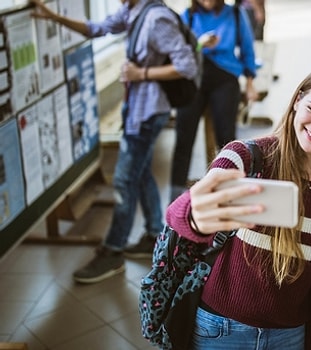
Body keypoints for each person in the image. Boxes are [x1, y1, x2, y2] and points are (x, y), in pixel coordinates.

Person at [166, 61, 311, 349]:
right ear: (298, 100)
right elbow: (177, 216)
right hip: (221, 330)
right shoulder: (245, 158)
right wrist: (198, 215)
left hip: (290, 337)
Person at [30, 0, 198, 283]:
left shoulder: (156, 18)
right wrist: (50, 15)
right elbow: (96, 28)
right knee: (140, 173)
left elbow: (188, 65)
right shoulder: (131, 10)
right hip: (136, 110)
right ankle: (154, 233)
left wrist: (140, 73)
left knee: (123, 180)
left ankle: (114, 250)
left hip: (148, 113)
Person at [167, 0, 259, 207]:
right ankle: (175, 200)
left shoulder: (235, 14)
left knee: (226, 139)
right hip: (194, 79)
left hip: (225, 78)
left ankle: (232, 194)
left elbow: (247, 49)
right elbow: (178, 52)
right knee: (183, 138)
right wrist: (199, 43)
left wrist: (250, 83)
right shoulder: (187, 16)